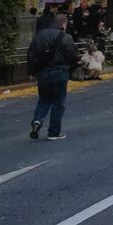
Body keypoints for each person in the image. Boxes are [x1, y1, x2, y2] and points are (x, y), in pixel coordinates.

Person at [28, 12, 79, 140]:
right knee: (58, 102)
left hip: (43, 72)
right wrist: (72, 67)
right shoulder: (65, 37)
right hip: (59, 70)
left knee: (44, 99)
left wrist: (32, 72)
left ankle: (37, 120)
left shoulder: (38, 36)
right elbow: (72, 55)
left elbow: (31, 54)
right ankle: (54, 132)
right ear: (63, 23)